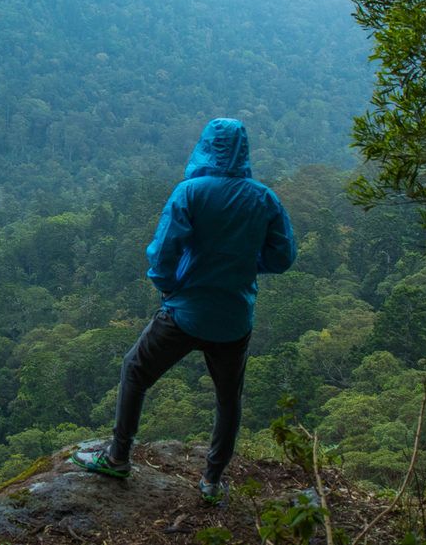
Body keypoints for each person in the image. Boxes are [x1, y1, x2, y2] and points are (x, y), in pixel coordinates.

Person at [71, 118, 296, 505]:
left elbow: (162, 254)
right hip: (233, 319)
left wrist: (171, 287)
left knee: (135, 369)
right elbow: (282, 257)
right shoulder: (264, 198)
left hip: (184, 312)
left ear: (206, 146)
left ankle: (118, 456)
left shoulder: (190, 193)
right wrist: (242, 265)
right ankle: (211, 481)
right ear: (244, 151)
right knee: (229, 399)